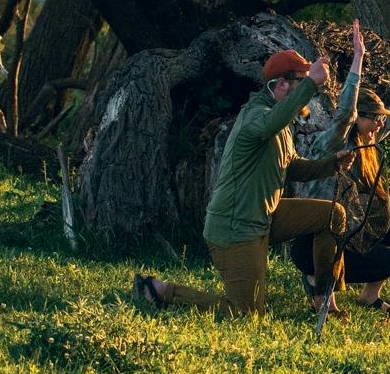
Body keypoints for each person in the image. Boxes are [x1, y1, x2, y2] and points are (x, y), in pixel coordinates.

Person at [132, 45, 352, 317]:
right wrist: (312, 84)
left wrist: (332, 164)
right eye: (300, 83)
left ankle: (323, 297)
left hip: (264, 215)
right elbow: (271, 122)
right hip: (236, 227)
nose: (307, 93)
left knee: (333, 214)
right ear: (282, 85)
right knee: (245, 313)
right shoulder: (255, 116)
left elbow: (291, 167)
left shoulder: (278, 122)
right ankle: (161, 291)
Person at [287, 20, 390, 313]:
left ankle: (369, 297)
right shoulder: (333, 141)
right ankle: (320, 288)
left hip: (350, 235)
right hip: (315, 243)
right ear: (360, 119)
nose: (381, 124)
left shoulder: (368, 140)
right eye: (375, 118)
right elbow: (345, 110)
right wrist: (357, 59)